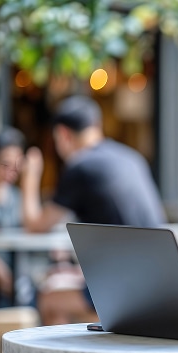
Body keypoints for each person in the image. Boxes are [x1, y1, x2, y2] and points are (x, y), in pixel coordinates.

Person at [21, 95, 166, 326]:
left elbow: (35, 226)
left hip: (126, 292)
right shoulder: (131, 158)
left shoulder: (81, 166)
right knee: (62, 285)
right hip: (160, 282)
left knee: (48, 301)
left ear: (62, 135)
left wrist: (30, 177)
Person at [0, 127, 26, 308]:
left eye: (17, 166)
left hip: (18, 278)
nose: (12, 172)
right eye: (5, 165)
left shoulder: (18, 197)